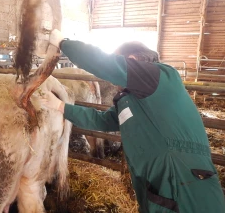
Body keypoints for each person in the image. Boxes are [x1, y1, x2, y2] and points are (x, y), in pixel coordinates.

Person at [39, 29, 225, 213]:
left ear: (134, 60)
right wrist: (60, 107)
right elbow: (102, 120)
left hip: (185, 182)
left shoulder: (161, 76)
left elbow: (106, 64)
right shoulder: (133, 102)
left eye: (121, 63)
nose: (114, 82)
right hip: (158, 187)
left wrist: (64, 43)